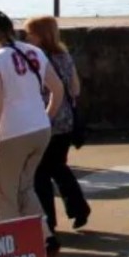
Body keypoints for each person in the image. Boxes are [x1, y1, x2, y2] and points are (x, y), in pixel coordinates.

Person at [0, 11, 66, 251]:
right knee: (25, 187)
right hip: (39, 128)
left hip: (12, 132)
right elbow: (57, 89)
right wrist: (45, 117)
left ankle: (6, 246)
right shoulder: (34, 51)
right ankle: (46, 236)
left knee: (3, 192)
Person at [27, 16, 92, 236]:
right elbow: (75, 88)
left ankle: (49, 221)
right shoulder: (64, 55)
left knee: (40, 173)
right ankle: (78, 208)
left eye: (30, 33)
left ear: (40, 35)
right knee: (59, 167)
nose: (27, 38)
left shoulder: (37, 58)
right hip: (65, 121)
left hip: (45, 118)